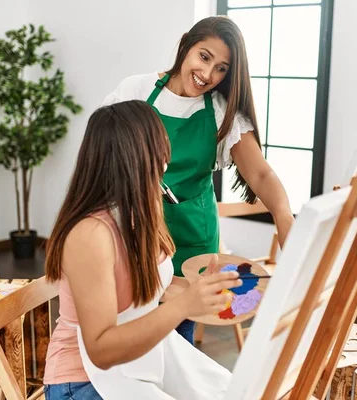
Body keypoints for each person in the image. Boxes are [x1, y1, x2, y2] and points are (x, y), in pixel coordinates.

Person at [102, 16, 295, 344]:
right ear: (185, 45)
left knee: (178, 341)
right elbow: (101, 156)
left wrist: (285, 217)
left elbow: (261, 174)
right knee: (133, 335)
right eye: (204, 57)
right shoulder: (135, 91)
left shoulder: (221, 111)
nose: (208, 74)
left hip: (192, 242)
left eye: (221, 68)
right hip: (136, 232)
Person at [42, 100, 241, 399]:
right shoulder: (90, 234)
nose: (167, 156)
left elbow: (152, 289)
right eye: (160, 144)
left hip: (135, 364)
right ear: (134, 156)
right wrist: (185, 305)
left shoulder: (139, 212)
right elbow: (100, 350)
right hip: (81, 381)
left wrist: (203, 289)